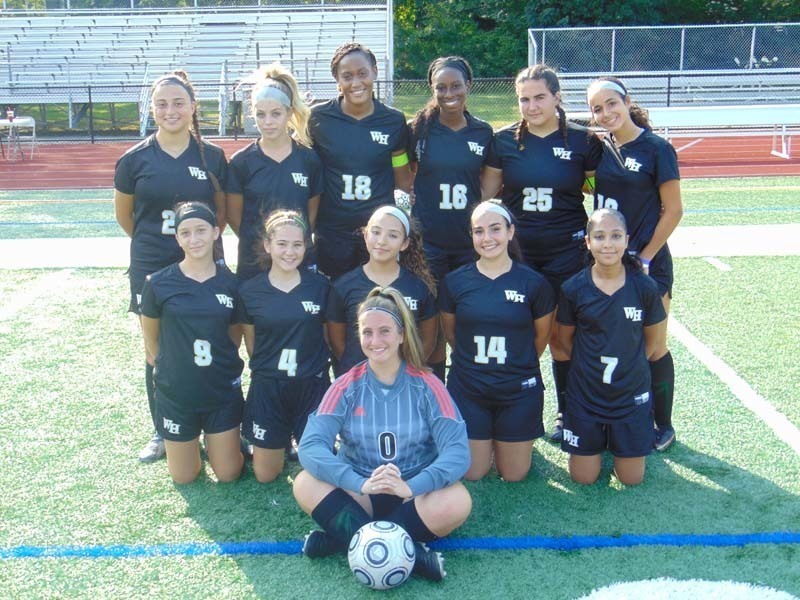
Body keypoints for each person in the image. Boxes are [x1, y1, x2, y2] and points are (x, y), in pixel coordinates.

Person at [293, 287, 471, 582]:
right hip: (361, 492)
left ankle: (343, 539)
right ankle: (412, 554)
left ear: (402, 334)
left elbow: (457, 451)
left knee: (458, 500)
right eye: (367, 332)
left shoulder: (428, 385)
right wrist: (359, 482)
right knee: (304, 483)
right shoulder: (346, 385)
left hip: (413, 495)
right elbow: (311, 446)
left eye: (385, 331)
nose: (375, 341)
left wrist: (412, 487)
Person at [482, 64, 602, 444]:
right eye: (523, 99)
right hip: (519, 256)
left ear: (556, 98)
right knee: (519, 335)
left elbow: (601, 196)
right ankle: (517, 409)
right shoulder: (504, 142)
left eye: (539, 97)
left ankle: (568, 412)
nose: (531, 106)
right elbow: (486, 200)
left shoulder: (583, 142)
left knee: (563, 340)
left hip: (568, 252)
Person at [114, 70, 228, 462]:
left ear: (193, 107)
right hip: (152, 263)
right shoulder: (133, 159)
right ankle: (164, 430)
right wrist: (164, 248)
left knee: (215, 339)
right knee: (157, 349)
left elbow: (222, 216)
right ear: (152, 109)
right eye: (162, 103)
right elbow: (126, 217)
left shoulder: (211, 156)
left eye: (179, 102)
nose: (171, 110)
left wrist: (196, 247)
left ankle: (224, 420)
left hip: (204, 261)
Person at [587, 76, 683, 451]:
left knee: (653, 346)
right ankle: (616, 416)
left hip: (648, 264)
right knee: (613, 343)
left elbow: (674, 210)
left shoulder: (657, 148)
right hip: (607, 264)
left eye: (612, 103)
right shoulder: (600, 149)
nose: (606, 112)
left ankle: (664, 424)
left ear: (627, 101)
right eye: (597, 108)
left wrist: (645, 255)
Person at [439, 201, 555, 482]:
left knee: (514, 475)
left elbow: (540, 338)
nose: (487, 238)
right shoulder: (455, 282)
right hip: (470, 388)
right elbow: (452, 334)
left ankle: (508, 438)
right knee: (473, 473)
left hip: (517, 390)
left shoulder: (533, 283)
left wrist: (516, 363)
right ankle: (488, 436)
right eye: (479, 231)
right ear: (471, 236)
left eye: (495, 229)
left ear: (510, 232)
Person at [557, 209, 666, 485]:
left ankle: (617, 440)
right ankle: (598, 440)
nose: (608, 244)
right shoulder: (574, 289)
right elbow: (565, 342)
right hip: (586, 395)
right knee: (583, 478)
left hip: (629, 397)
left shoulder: (644, 287)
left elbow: (652, 344)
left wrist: (630, 366)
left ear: (627, 240)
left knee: (631, 480)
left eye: (616, 236)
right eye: (600, 236)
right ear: (588, 242)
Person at [139, 202, 244, 484]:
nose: (194, 239)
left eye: (200, 230)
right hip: (178, 393)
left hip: (219, 389)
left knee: (228, 473)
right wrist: (174, 367)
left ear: (216, 232)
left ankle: (222, 441)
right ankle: (189, 441)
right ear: (177, 238)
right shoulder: (158, 282)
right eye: (185, 233)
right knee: (184, 476)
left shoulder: (232, 284)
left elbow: (233, 336)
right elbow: (151, 338)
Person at [408, 55, 494, 380]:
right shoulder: (417, 131)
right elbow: (405, 175)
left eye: (455, 85)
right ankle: (435, 394)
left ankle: (466, 389)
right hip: (428, 244)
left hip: (469, 246)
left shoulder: (484, 133)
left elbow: (489, 188)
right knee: (431, 326)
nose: (449, 93)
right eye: (440, 87)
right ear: (432, 89)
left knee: (467, 320)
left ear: (468, 86)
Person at [238, 210, 331, 483]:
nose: (289, 252)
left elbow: (327, 337)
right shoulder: (250, 291)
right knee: (266, 475)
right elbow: (252, 344)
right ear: (267, 245)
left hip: (311, 385)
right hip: (269, 387)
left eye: (297, 244)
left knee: (318, 472)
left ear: (306, 246)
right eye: (281, 244)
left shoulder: (320, 287)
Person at [310, 42, 413, 280]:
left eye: (362, 73)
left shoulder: (393, 120)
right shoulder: (318, 118)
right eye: (347, 76)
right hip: (332, 230)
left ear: (375, 72)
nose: (356, 83)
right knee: (334, 299)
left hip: (378, 232)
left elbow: (402, 177)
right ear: (337, 80)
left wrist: (405, 207)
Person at [227, 63, 323, 282]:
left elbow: (311, 215)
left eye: (276, 114)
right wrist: (264, 241)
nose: (267, 122)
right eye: (261, 114)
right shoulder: (241, 162)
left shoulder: (309, 160)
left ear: (289, 112)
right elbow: (235, 217)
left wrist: (291, 243)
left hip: (297, 259)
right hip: (254, 261)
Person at [327, 205, 438, 376]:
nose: (382, 241)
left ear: (405, 243)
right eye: (376, 232)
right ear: (365, 235)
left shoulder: (419, 287)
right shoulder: (343, 287)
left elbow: (428, 341)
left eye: (393, 235)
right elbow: (338, 344)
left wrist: (406, 370)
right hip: (358, 383)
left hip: (403, 383)